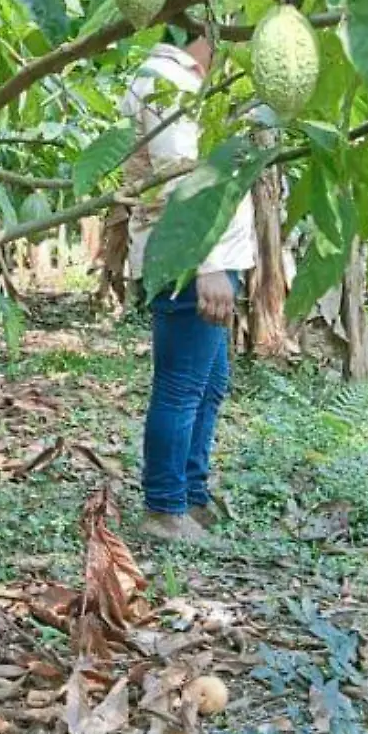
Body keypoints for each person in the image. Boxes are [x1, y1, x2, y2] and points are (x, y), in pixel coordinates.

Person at [119, 27, 254, 544]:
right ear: (209, 32)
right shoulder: (165, 79)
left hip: (203, 260)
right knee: (180, 386)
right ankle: (164, 508)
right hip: (186, 261)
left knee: (209, 382)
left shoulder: (190, 84)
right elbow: (180, 181)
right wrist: (208, 264)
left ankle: (191, 494)